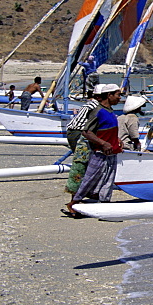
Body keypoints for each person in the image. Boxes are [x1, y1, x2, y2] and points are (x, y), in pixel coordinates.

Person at [64, 83, 124, 217]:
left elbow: (109, 128)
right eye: (118, 95)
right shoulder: (97, 110)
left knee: (108, 179)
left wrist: (117, 140)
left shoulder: (110, 111)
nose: (120, 98)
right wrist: (103, 143)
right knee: (89, 176)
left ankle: (104, 205)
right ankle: (74, 203)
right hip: (98, 150)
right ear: (109, 95)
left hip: (111, 151)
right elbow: (86, 131)